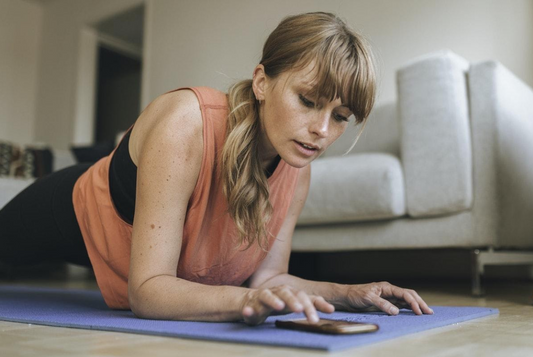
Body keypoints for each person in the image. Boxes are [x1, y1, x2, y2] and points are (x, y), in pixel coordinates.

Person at [0, 12, 433, 326]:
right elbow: (149, 290)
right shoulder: (185, 122)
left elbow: (270, 276)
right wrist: (248, 300)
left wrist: (349, 295)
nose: (321, 130)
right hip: (74, 210)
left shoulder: (298, 163)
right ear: (262, 81)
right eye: (307, 100)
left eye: (340, 116)